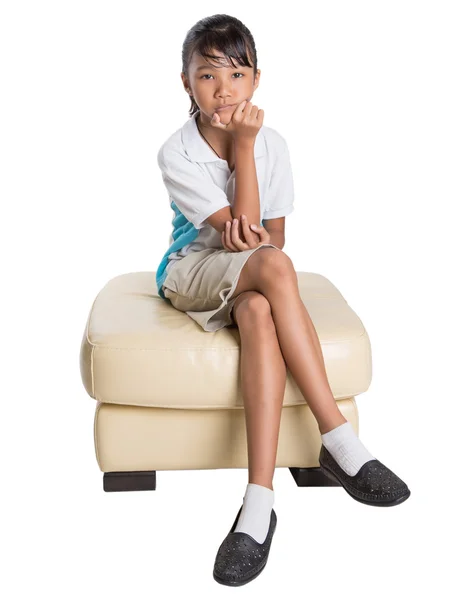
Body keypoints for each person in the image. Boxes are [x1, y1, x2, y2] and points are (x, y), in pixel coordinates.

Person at [155, 14, 411, 587]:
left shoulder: (276, 145)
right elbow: (242, 237)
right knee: (272, 267)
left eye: (237, 74)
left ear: (256, 80)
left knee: (257, 307)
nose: (224, 90)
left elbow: (275, 235)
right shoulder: (178, 151)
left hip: (249, 277)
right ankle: (339, 438)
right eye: (207, 76)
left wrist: (252, 146)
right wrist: (242, 148)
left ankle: (258, 504)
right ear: (185, 83)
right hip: (190, 268)